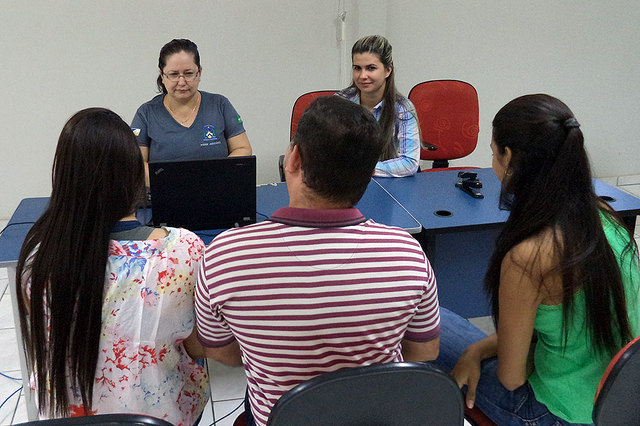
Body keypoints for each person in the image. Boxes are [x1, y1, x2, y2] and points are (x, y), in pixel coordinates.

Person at [193, 96, 440, 426]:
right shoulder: (407, 253)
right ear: (369, 172)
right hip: (374, 417)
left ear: (293, 158)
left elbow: (221, 352)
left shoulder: (224, 255)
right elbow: (424, 353)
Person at [433, 94, 640, 425]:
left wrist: (490, 353)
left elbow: (512, 379)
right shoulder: (608, 218)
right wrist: (479, 349)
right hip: (617, 407)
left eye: (492, 152)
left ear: (510, 157)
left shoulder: (527, 258)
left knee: (428, 320)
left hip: (551, 414)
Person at [16, 108, 209, 425]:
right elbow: (199, 346)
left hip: (65, 417)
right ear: (136, 175)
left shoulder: (37, 257)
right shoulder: (182, 252)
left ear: (63, 176)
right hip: (160, 418)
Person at [131, 38, 252, 185]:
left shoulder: (220, 104)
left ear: (199, 73)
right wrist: (173, 183)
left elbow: (243, 148)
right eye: (174, 74)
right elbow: (136, 164)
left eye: (188, 73)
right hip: (165, 196)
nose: (181, 82)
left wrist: (217, 176)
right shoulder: (146, 113)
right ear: (162, 75)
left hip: (216, 191)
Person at [336, 35, 420, 177]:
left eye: (371, 68)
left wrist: (362, 169)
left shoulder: (403, 108)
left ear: (388, 70)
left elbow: (409, 162)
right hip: (344, 184)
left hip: (385, 184)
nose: (362, 75)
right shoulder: (340, 102)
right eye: (357, 68)